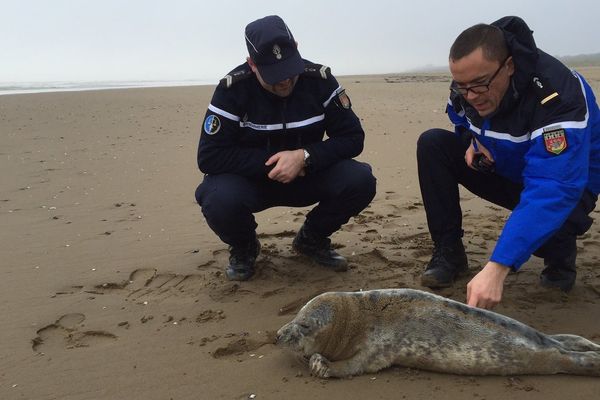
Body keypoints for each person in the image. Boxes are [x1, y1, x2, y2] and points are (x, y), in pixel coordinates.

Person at [416, 16, 600, 309]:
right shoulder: (466, 89)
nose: (471, 96)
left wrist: (498, 266)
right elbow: (459, 116)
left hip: (568, 184)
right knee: (433, 144)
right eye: (462, 86)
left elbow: (554, 186)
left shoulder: (557, 95)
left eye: (479, 85)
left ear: (510, 66)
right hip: (508, 170)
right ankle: (449, 252)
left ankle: (560, 260)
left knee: (548, 228)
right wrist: (470, 141)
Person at [195, 15, 376, 281]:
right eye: (273, 75)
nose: (284, 82)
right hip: (253, 182)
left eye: (289, 71)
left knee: (360, 180)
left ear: (297, 48)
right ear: (251, 64)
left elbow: (352, 137)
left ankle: (311, 239)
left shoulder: (320, 80)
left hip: (309, 174)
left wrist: (304, 157)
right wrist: (274, 162)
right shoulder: (231, 90)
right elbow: (209, 156)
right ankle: (245, 246)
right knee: (216, 197)